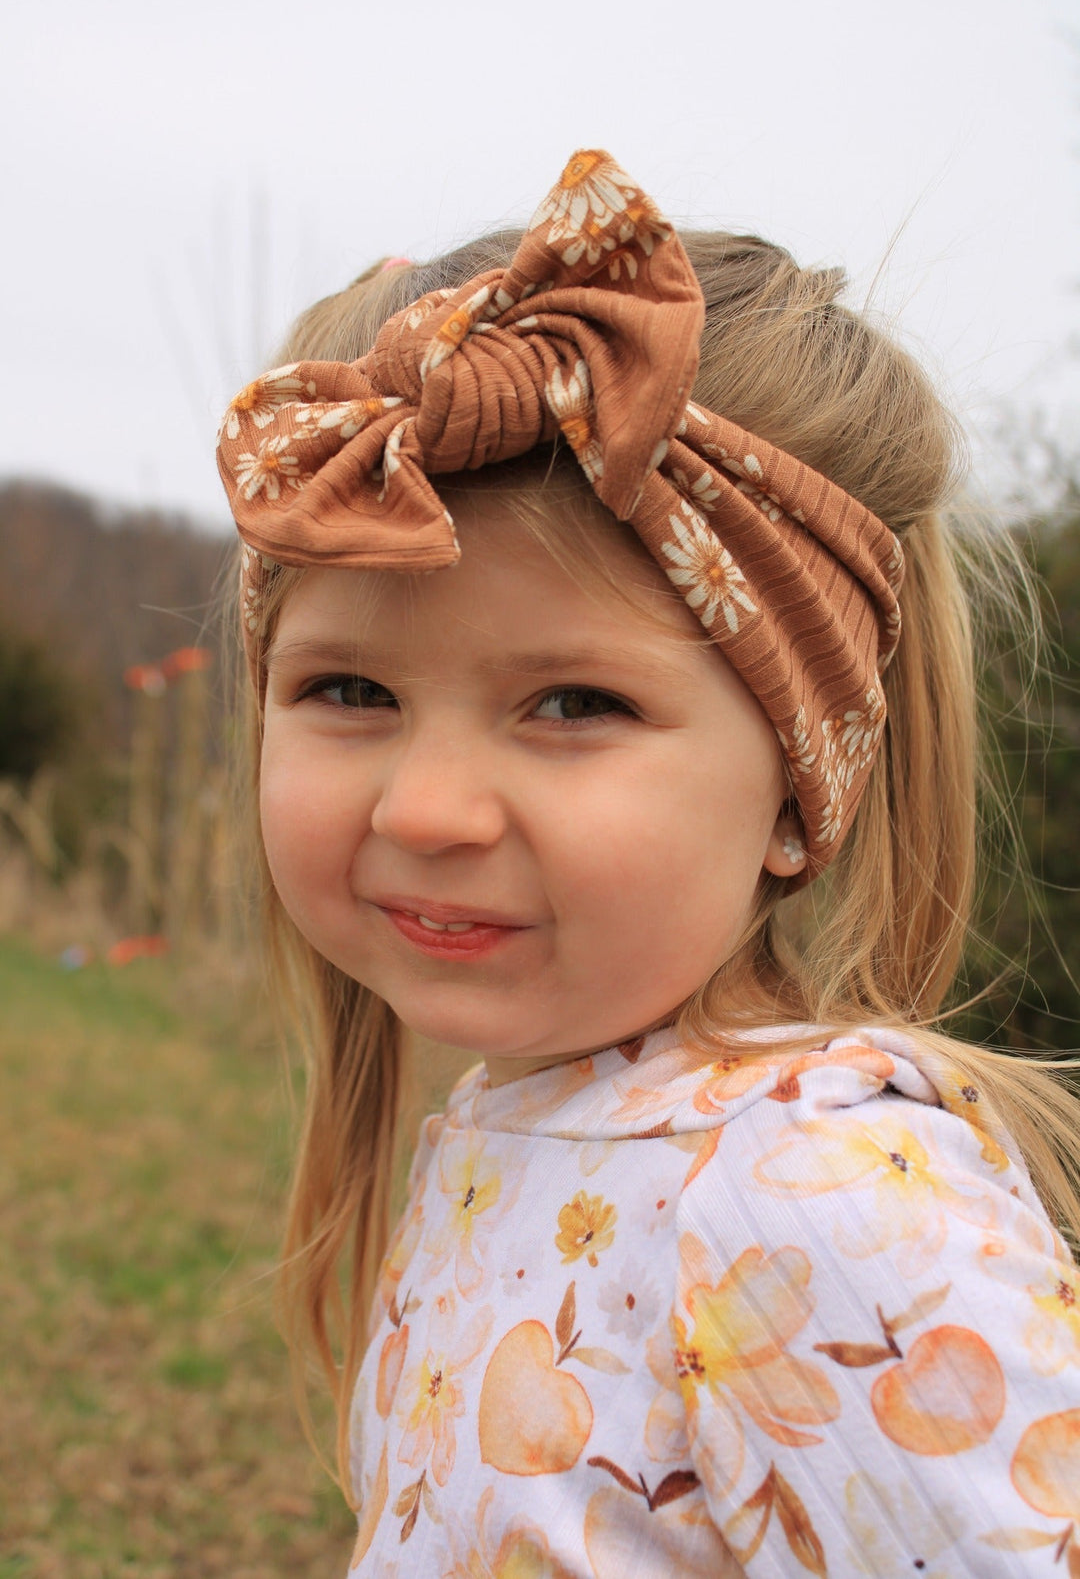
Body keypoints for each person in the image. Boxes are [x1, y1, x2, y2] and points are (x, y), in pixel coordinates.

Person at [216, 151, 1080, 1575]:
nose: (428, 809)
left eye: (575, 706)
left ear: (805, 791)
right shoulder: (529, 1125)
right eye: (349, 692)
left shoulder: (821, 1199)